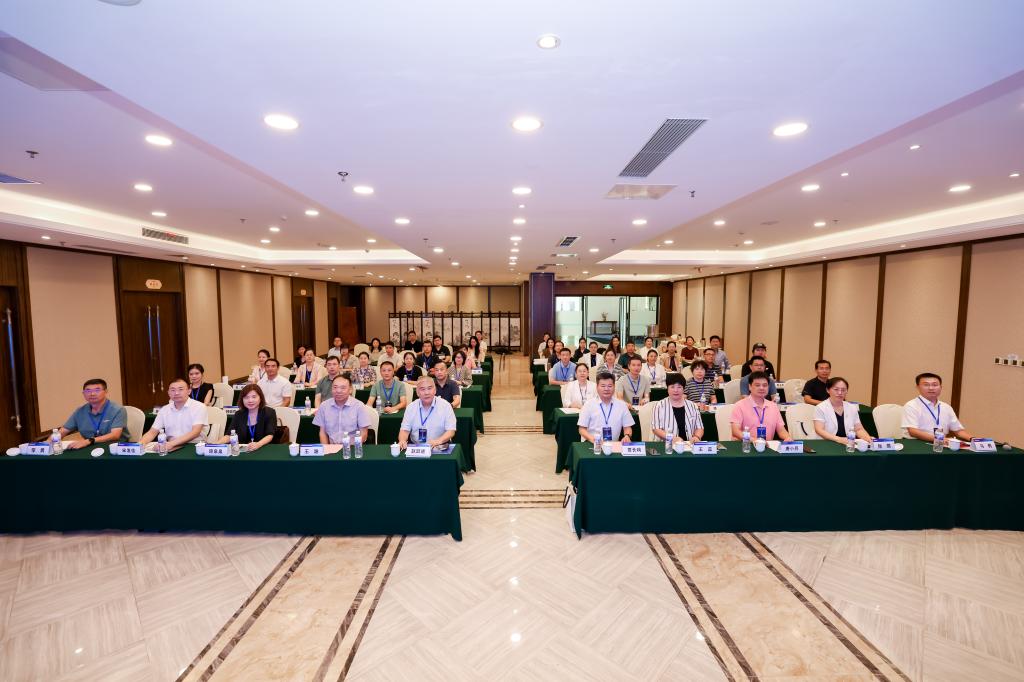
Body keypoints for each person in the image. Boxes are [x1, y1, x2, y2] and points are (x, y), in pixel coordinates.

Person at [901, 372, 973, 443]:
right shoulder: (911, 405)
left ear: (941, 387)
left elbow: (958, 431)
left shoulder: (946, 407)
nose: (931, 388)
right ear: (918, 387)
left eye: (935, 385)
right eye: (926, 385)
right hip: (915, 443)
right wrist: (940, 439)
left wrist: (974, 439)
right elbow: (913, 432)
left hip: (940, 444)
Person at [59, 378, 129, 449]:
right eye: (88, 391)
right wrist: (52, 441)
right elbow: (63, 431)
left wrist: (89, 441)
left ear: (106, 391)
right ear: (83, 393)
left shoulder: (118, 409)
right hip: (91, 446)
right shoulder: (80, 411)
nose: (92, 394)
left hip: (116, 447)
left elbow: (115, 435)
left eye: (97, 390)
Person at [140, 378, 207, 448]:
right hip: (171, 446)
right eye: (173, 390)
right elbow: (152, 432)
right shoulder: (164, 410)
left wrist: (171, 444)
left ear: (189, 391)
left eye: (180, 389)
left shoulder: (199, 407)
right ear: (168, 393)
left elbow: (195, 432)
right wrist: (140, 443)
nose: (176, 393)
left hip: (194, 446)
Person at [398, 376, 458, 449]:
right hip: (416, 447)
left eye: (429, 388)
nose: (426, 393)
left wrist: (438, 441)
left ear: (435, 390)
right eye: (422, 389)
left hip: (439, 445)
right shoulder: (411, 407)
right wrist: (402, 440)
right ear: (417, 392)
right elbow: (404, 430)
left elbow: (451, 430)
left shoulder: (446, 406)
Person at [731, 371, 793, 441]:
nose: (761, 388)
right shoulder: (739, 405)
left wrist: (787, 437)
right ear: (750, 387)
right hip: (745, 445)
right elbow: (735, 431)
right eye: (757, 385)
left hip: (767, 446)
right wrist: (753, 440)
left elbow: (781, 430)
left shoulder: (773, 406)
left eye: (765, 385)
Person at [312, 374, 370, 445]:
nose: (338, 391)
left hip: (352, 447)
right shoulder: (324, 406)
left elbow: (363, 434)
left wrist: (349, 448)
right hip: (332, 447)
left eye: (343, 388)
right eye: (335, 387)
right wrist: (326, 448)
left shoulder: (359, 406)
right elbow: (322, 433)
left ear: (350, 390)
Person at [577, 372, 634, 443]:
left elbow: (627, 427)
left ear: (614, 387)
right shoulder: (588, 405)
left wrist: (627, 436)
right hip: (592, 443)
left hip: (613, 444)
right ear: (597, 387)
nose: (606, 389)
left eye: (610, 386)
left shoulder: (622, 405)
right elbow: (581, 429)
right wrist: (593, 439)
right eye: (603, 386)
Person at [813, 377, 874, 444]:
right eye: (836, 389)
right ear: (828, 390)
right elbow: (819, 430)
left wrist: (867, 438)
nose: (840, 393)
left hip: (847, 443)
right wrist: (839, 439)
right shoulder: (821, 407)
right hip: (826, 442)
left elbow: (858, 429)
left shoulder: (852, 407)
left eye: (843, 390)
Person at [651, 373, 705, 443]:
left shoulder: (692, 405)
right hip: (666, 445)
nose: (676, 390)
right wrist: (672, 438)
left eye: (679, 387)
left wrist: (697, 437)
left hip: (689, 445)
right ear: (667, 389)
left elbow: (700, 427)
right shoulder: (659, 406)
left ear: (683, 389)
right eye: (672, 387)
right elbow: (656, 429)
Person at [223, 384, 276, 451]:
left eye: (254, 397)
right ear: (242, 399)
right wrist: (216, 443)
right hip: (243, 451)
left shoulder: (269, 412)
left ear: (260, 398)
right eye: (246, 397)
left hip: (263, 449)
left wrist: (258, 444)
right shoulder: (239, 414)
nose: (250, 400)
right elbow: (229, 435)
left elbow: (270, 435)